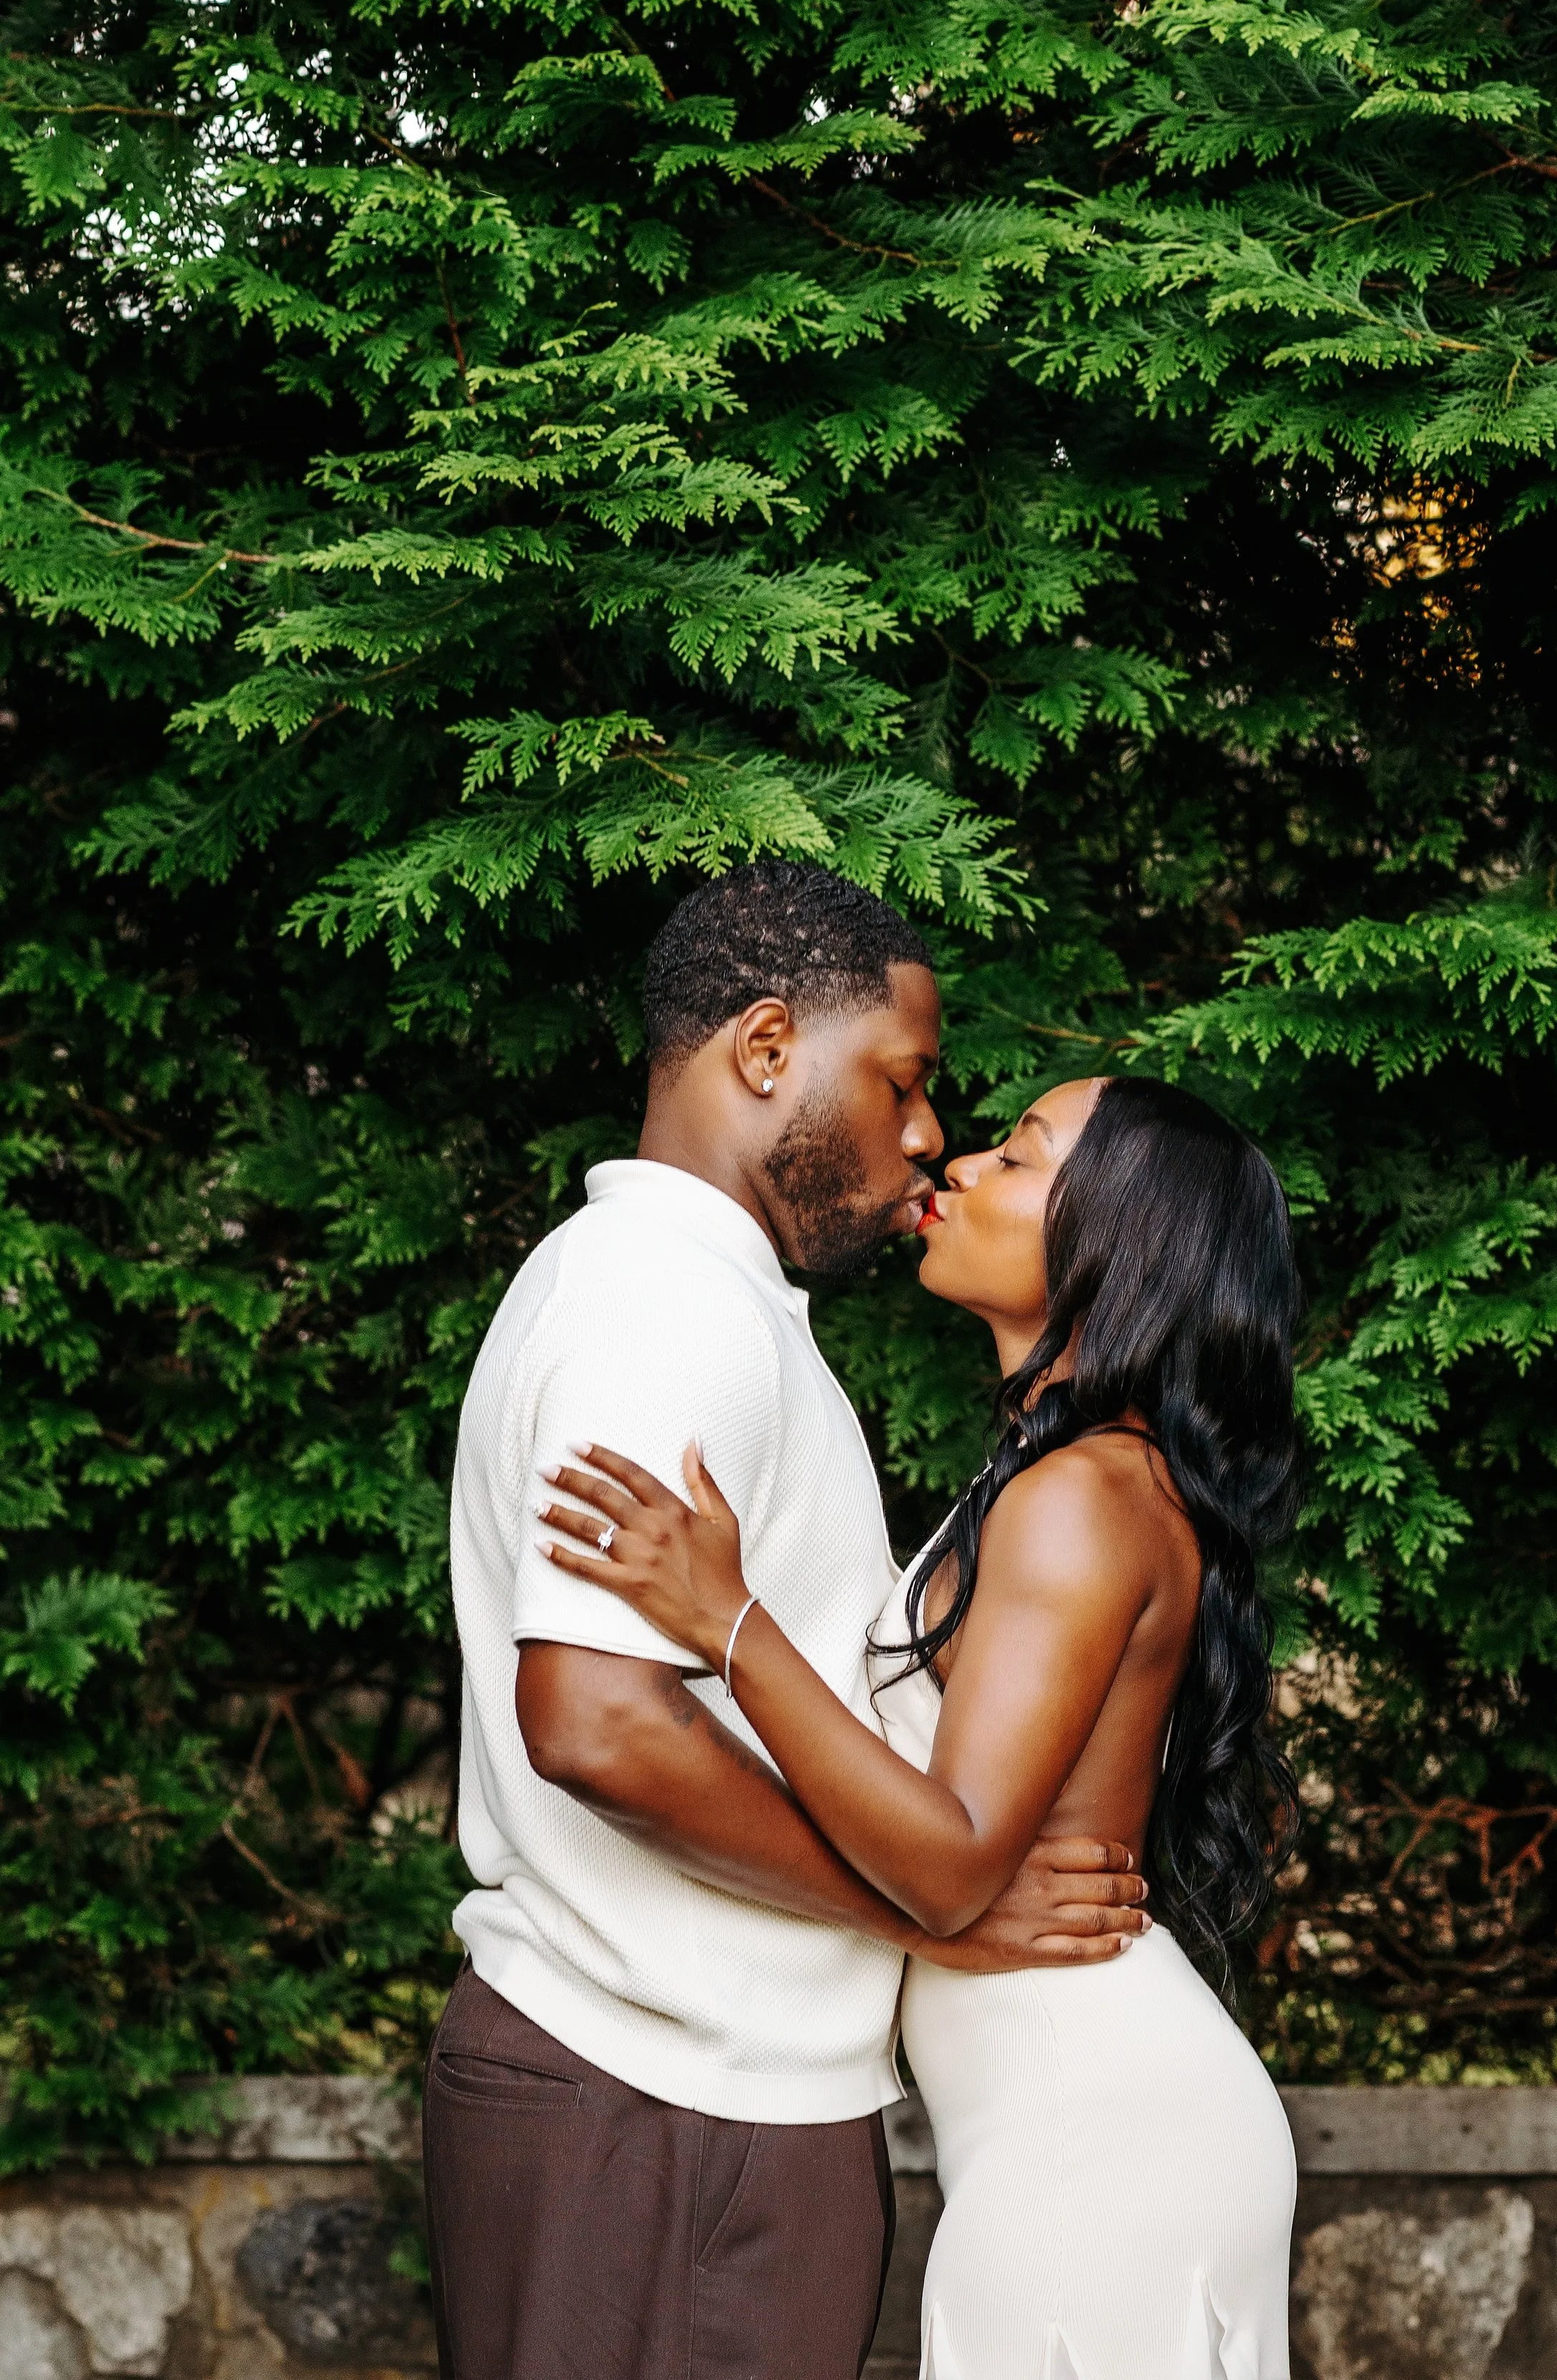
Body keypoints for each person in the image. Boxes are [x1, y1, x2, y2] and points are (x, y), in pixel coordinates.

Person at [424, 862, 1149, 2380]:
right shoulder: (660, 1307)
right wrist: (925, 1910)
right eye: (900, 1082)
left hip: (696, 2111)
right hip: (662, 2107)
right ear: (764, 1052)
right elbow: (600, 1723)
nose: (923, 1135)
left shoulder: (699, 1300)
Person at [538, 1071, 1304, 2380]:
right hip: (1063, 2119)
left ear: (1116, 1240)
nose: (957, 1165)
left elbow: (953, 1859)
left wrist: (731, 1620)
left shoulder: (1082, 1495)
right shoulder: (1071, 1478)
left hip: (1096, 2137)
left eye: (1021, 1155)